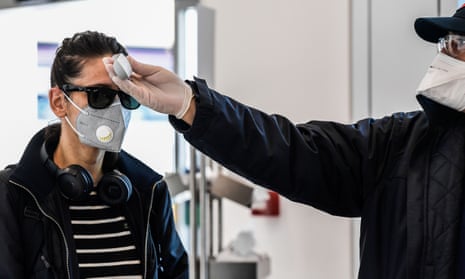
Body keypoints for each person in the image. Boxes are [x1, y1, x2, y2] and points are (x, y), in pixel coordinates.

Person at [102, 5, 465, 279]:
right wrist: (190, 104)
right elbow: (291, 150)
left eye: (458, 44)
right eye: (444, 43)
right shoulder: (400, 145)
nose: (442, 56)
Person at [0, 31, 188, 278]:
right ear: (59, 102)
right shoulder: (16, 194)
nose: (116, 107)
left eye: (125, 95)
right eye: (100, 95)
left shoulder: (149, 192)